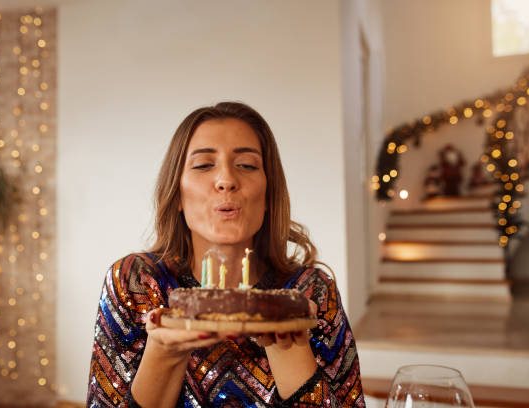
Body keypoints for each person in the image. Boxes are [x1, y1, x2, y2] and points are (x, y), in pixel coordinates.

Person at [86, 102, 365, 407]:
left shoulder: (310, 292)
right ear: (177, 193)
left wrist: (292, 351)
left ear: (269, 192)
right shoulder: (137, 283)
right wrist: (163, 354)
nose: (226, 180)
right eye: (204, 165)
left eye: (246, 164)